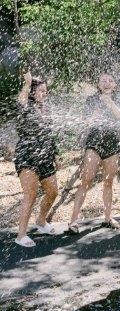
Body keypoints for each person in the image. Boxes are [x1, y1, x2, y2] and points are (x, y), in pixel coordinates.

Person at [68, 73, 120, 234]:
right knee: (87, 179)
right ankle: (73, 221)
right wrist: (95, 114)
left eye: (110, 80)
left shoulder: (118, 100)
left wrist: (110, 102)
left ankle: (107, 217)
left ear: (114, 85)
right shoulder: (91, 100)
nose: (107, 83)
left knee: (109, 181)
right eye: (103, 80)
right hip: (94, 143)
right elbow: (87, 120)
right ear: (98, 84)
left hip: (112, 143)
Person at [14, 71, 60, 247]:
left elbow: (49, 133)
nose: (44, 93)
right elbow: (20, 103)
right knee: (30, 195)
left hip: (45, 155)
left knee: (53, 191)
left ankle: (41, 221)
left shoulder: (47, 109)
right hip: (27, 155)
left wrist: (55, 154)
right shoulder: (26, 105)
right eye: (41, 90)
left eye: (46, 91)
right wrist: (27, 83)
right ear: (32, 92)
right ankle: (21, 235)